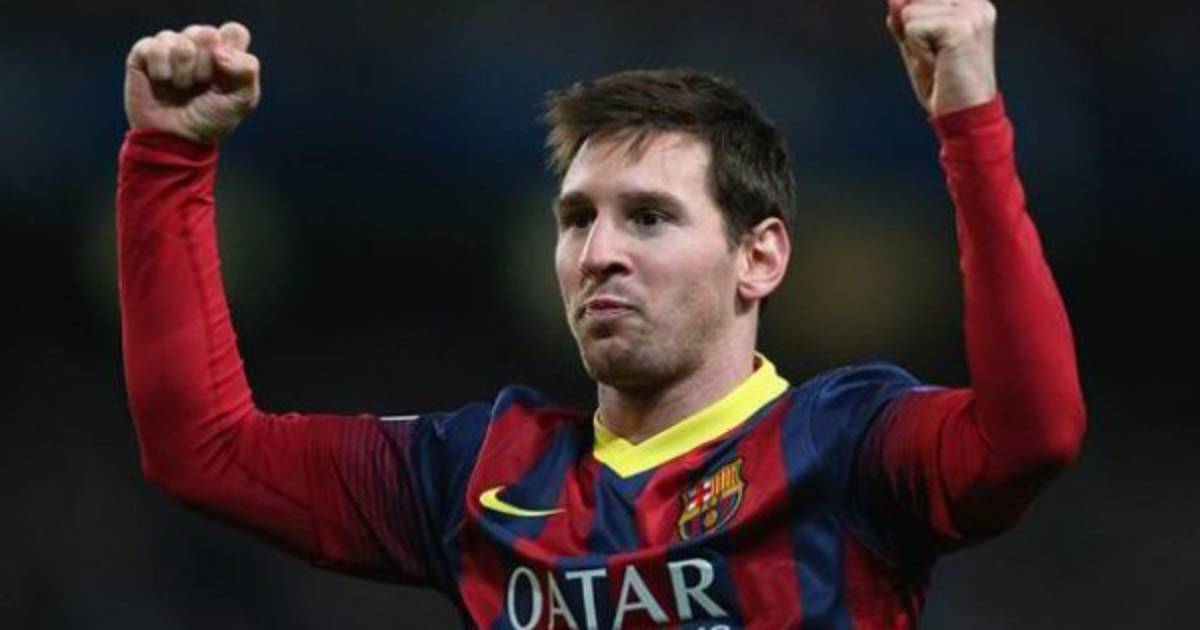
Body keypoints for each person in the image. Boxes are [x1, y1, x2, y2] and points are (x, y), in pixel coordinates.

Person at [116, 1, 1086, 627]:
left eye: (650, 217)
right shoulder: (481, 475)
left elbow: (1032, 434)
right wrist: (168, 157)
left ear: (759, 257)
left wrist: (970, 120)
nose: (599, 253)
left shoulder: (846, 449)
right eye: (577, 218)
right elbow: (206, 451)